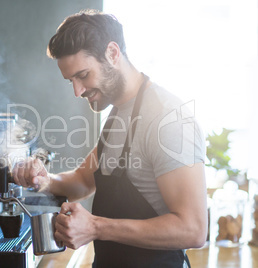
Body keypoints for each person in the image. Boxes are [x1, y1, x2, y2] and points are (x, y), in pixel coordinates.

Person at [13, 9, 207, 267]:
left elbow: (192, 229)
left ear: (113, 54)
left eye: (83, 75)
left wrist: (95, 227)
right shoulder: (118, 111)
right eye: (70, 80)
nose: (77, 91)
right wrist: (43, 180)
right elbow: (82, 181)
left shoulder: (168, 118)